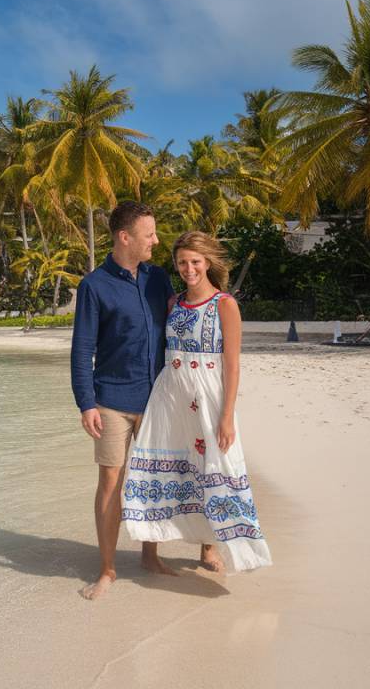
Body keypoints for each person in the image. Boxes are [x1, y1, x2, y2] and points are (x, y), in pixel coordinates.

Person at [121, 231, 272, 573]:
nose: (189, 268)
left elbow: (232, 365)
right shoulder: (174, 303)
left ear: (208, 263)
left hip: (208, 397)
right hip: (169, 397)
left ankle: (209, 549)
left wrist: (227, 416)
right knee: (161, 467)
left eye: (195, 262)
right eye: (182, 262)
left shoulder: (225, 305)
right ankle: (149, 551)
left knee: (214, 467)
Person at [70, 201, 177, 600]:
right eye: (149, 234)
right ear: (125, 237)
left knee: (153, 482)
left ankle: (151, 556)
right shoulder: (94, 286)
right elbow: (82, 350)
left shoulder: (158, 278)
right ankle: (108, 569)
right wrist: (86, 403)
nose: (156, 240)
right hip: (111, 400)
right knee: (111, 483)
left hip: (158, 399)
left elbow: (181, 324)